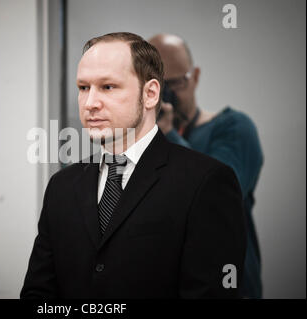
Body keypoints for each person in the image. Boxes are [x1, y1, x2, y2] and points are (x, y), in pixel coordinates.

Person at [21, 32, 246, 299]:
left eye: (108, 87)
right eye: (83, 87)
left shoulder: (206, 182)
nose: (90, 103)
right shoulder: (62, 186)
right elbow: (39, 294)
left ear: (150, 94)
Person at [149, 33, 264, 299]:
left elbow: (220, 195)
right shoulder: (144, 144)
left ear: (195, 76)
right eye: (156, 85)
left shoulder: (233, 126)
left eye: (174, 83)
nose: (166, 95)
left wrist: (168, 134)